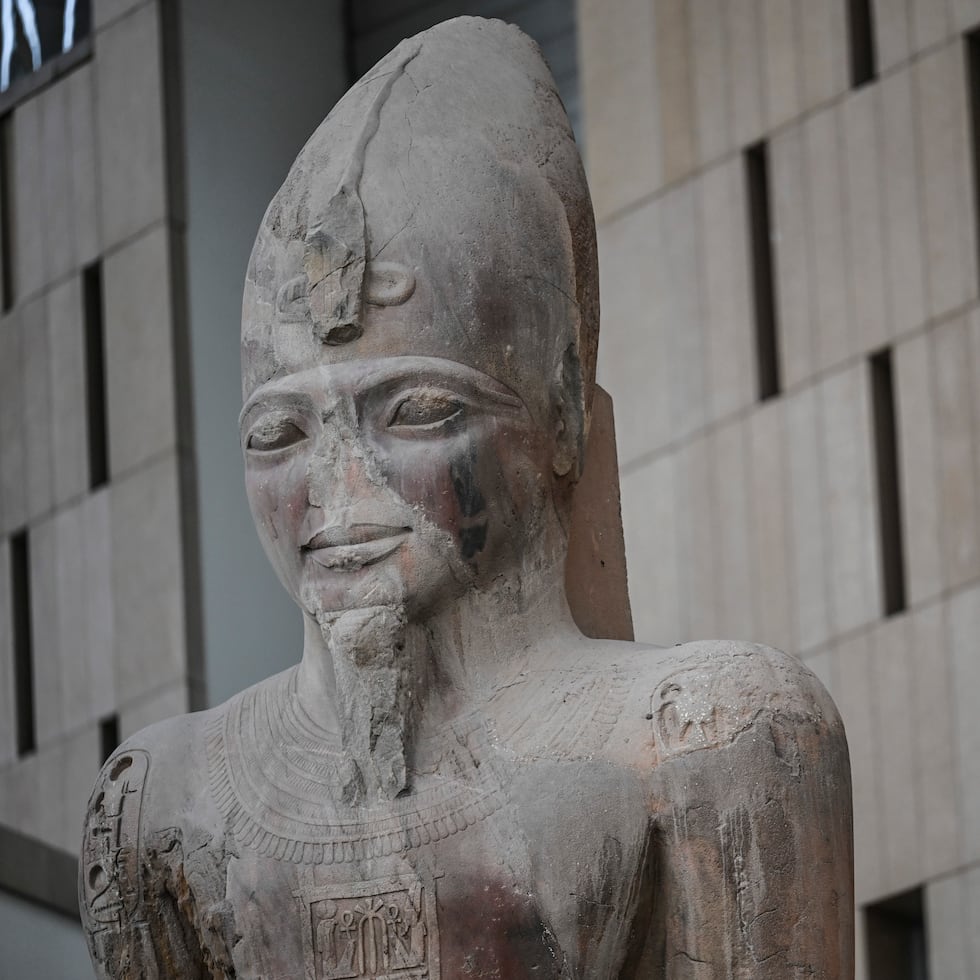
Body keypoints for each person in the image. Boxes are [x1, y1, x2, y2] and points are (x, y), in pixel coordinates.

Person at [81, 17, 853, 978]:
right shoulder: (157, 802)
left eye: (415, 411)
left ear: (562, 415)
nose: (339, 489)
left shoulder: (711, 738)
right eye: (279, 433)